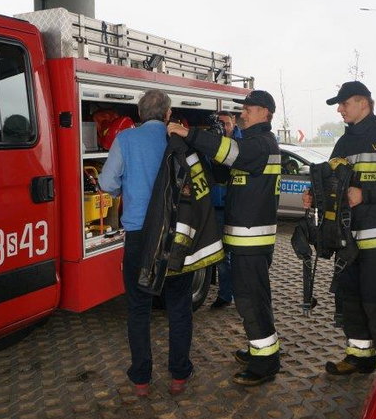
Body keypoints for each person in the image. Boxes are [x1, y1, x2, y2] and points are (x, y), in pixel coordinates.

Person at [167, 90, 281, 386]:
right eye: (244, 108)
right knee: (253, 300)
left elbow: (231, 152)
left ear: (266, 112)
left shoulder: (261, 145)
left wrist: (188, 132)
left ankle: (264, 364)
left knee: (251, 301)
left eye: (250, 109)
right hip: (246, 241)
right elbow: (223, 166)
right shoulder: (254, 145)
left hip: (251, 242)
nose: (244, 113)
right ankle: (261, 350)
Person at [306, 80, 376, 374]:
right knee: (350, 299)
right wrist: (316, 195)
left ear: (363, 103)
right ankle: (359, 356)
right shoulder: (344, 142)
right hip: (345, 239)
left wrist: (364, 194)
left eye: (344, 104)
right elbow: (332, 182)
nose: (340, 110)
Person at [99, 90, 195, 397]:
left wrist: (126, 189)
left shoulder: (125, 140)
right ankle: (179, 376)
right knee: (179, 305)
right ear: (167, 115)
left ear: (140, 115)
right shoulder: (180, 141)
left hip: (140, 237)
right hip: (177, 235)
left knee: (139, 308)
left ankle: (141, 379)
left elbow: (107, 183)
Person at [210, 110, 243, 309]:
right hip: (216, 208)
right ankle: (225, 295)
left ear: (234, 124)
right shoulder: (212, 143)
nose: (223, 128)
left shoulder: (243, 143)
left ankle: (242, 298)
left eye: (226, 124)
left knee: (239, 256)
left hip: (236, 209)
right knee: (222, 256)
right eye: (220, 124)